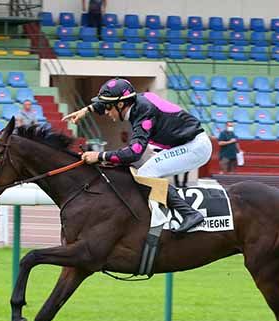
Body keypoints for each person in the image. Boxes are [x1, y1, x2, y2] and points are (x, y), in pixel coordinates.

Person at [63, 78, 211, 233]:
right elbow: (110, 103)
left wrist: (100, 156)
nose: (106, 112)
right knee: (137, 169)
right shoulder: (133, 101)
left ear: (121, 105)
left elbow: (134, 153)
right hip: (183, 143)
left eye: (108, 107)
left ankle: (190, 214)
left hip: (195, 147)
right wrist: (86, 110)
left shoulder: (144, 112)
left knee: (147, 173)